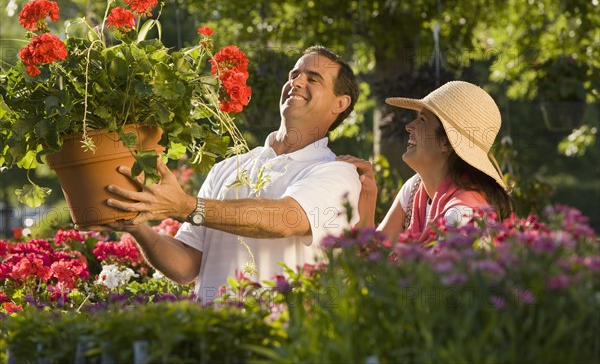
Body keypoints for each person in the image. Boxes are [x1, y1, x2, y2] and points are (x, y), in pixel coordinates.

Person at [104, 45, 361, 302]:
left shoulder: (338, 174)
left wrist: (185, 207)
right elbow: (185, 267)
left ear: (340, 103)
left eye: (313, 78)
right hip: (214, 332)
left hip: (279, 337)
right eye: (294, 74)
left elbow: (285, 220)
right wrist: (137, 226)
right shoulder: (229, 167)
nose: (296, 82)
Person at [338, 81, 514, 245]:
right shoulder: (415, 189)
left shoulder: (463, 218)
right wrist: (369, 195)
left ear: (446, 142)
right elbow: (371, 258)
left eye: (422, 120)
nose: (409, 126)